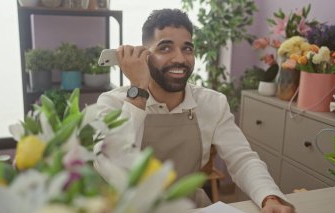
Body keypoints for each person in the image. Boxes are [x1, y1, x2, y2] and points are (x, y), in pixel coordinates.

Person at [97, 8, 295, 212]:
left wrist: (269, 197)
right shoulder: (113, 102)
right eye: (165, 48)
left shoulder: (212, 103)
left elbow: (243, 160)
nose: (180, 59)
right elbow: (112, 167)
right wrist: (137, 90)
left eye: (187, 49)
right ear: (144, 56)